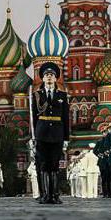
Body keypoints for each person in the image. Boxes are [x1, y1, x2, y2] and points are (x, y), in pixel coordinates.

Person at [30, 62, 69, 204]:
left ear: (55, 78)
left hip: (57, 133)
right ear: (43, 78)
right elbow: (34, 117)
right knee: (44, 165)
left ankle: (55, 195)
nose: (49, 77)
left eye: (51, 75)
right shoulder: (37, 95)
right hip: (42, 133)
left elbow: (66, 117)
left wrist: (66, 138)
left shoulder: (62, 95)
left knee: (55, 165)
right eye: (46, 75)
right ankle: (46, 195)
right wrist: (34, 137)